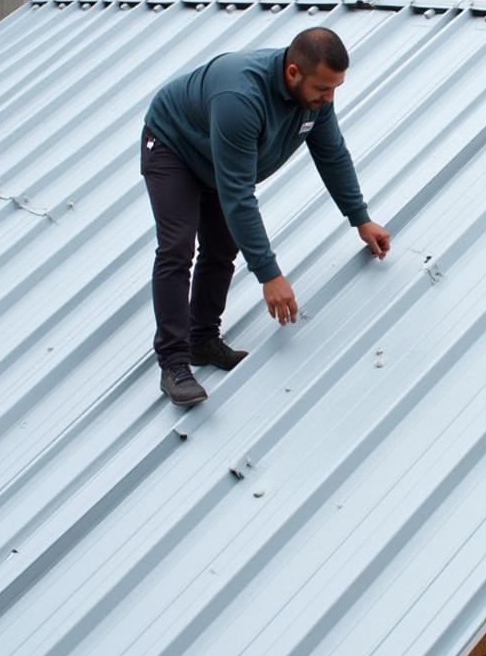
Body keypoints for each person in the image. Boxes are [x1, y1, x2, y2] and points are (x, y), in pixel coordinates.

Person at [141, 27, 390, 407]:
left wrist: (360, 218)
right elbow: (238, 195)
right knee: (177, 247)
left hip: (216, 157)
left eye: (336, 87)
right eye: (324, 88)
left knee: (222, 247)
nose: (330, 97)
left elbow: (332, 155)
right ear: (293, 72)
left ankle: (202, 340)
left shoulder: (315, 101)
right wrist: (270, 275)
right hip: (174, 146)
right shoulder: (241, 97)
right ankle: (174, 364)